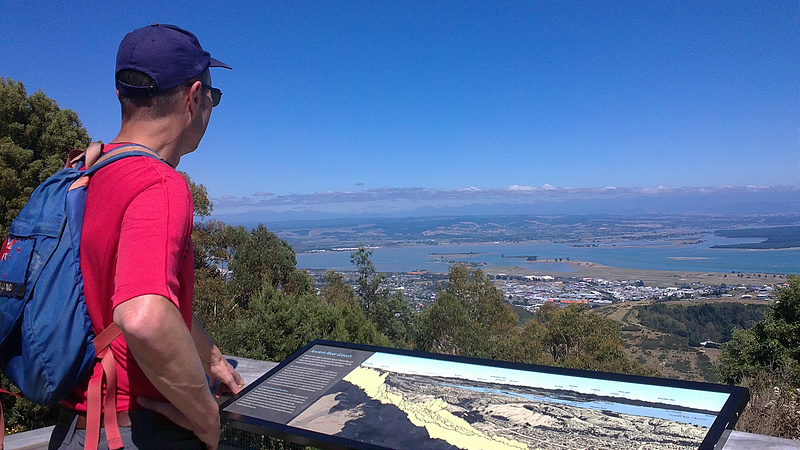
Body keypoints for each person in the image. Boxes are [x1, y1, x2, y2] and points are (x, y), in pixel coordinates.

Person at [50, 24, 244, 450]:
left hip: (75, 428)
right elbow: (143, 314)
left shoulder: (85, 173)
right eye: (214, 96)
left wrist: (211, 359)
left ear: (122, 96)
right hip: (133, 431)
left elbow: (142, 289)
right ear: (194, 97)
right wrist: (206, 416)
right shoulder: (158, 184)